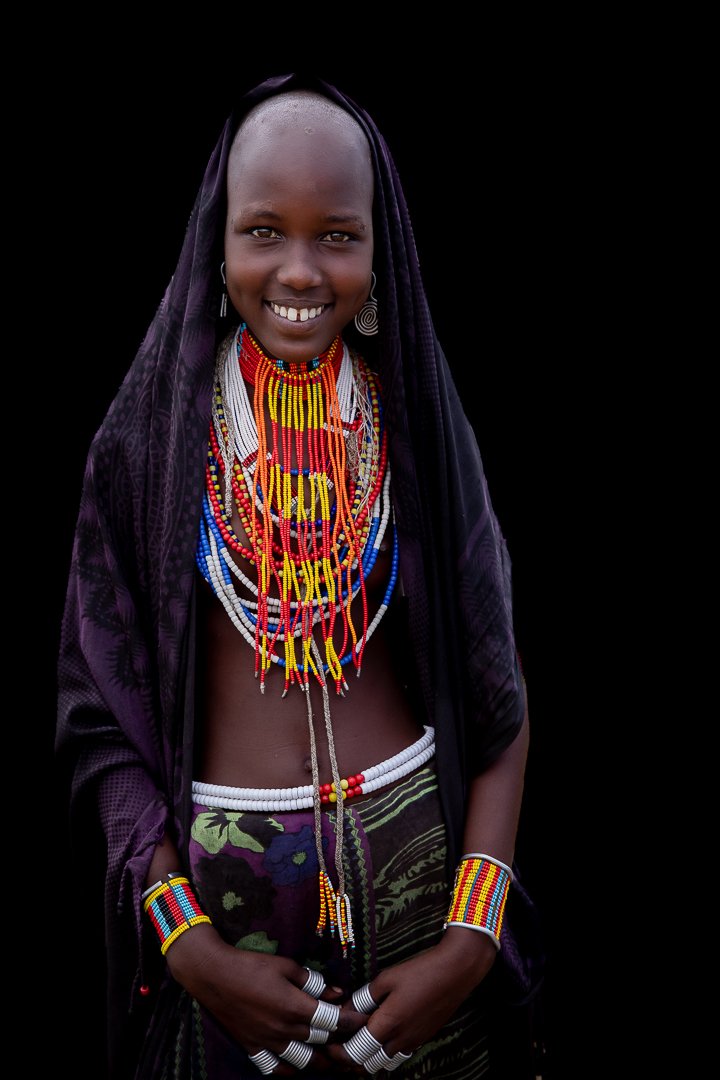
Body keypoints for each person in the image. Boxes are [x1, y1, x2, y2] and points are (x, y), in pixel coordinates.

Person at [56, 73, 545, 1079]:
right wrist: (184, 942)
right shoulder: (147, 451)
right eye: (264, 231)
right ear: (217, 243)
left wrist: (471, 937)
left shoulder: (413, 433)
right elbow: (95, 728)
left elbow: (501, 692)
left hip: (428, 940)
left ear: (382, 249)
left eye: (339, 235)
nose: (301, 269)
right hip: (223, 962)